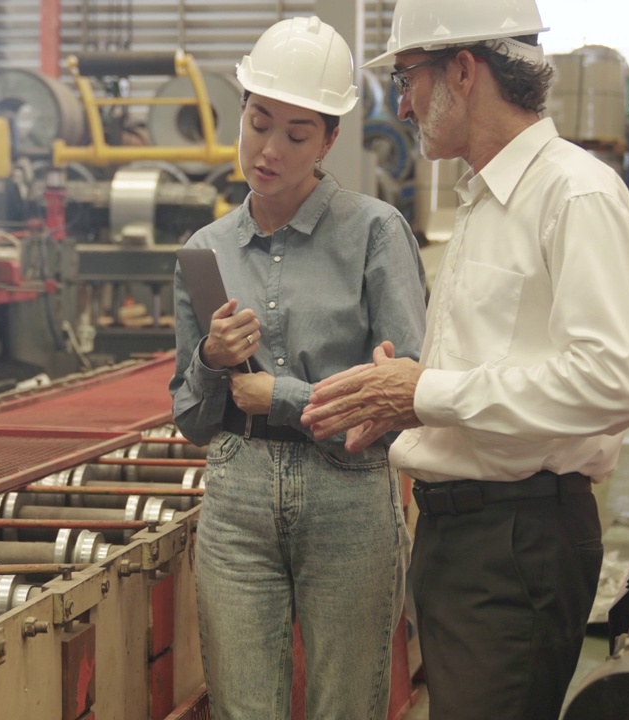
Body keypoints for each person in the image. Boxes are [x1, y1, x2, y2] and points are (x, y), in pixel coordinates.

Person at [300, 1, 629, 718]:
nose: (401, 104)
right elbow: (495, 366)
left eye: (408, 78)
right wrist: (401, 407)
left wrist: (428, 394)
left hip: (517, 539)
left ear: (463, 71)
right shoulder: (484, 201)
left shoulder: (573, 193)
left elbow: (613, 381)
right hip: (464, 535)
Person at [168, 15, 428, 720]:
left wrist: (276, 395)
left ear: (331, 139)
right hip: (236, 499)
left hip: (347, 496)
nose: (269, 149)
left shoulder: (376, 234)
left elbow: (401, 400)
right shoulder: (206, 249)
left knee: (346, 705)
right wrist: (209, 360)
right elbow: (191, 420)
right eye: (258, 122)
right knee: (243, 708)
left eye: (296, 133)